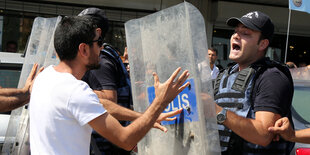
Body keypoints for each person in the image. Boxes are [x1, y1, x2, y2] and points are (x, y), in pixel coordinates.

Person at [29, 16, 189, 155]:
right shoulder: (75, 91)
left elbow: (100, 105)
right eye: (98, 42)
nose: (102, 47)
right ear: (83, 49)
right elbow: (125, 140)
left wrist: (146, 116)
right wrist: (160, 101)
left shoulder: (44, 77)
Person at [79, 8, 178, 154]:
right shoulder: (106, 56)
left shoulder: (101, 61)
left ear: (97, 31)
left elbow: (110, 100)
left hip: (105, 146)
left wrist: (78, 90)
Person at [213, 11, 295, 154]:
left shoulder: (271, 77)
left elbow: (263, 135)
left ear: (262, 44)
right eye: (236, 31)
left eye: (245, 33)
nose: (236, 36)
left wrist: (217, 112)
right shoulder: (224, 75)